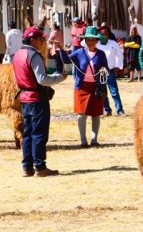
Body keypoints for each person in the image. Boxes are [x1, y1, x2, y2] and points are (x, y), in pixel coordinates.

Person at [12, 26, 67, 177]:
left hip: (24, 98)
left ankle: (27, 166)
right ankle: (40, 166)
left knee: (28, 133)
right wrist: (60, 77)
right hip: (37, 98)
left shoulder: (17, 54)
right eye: (40, 39)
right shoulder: (34, 55)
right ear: (33, 40)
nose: (42, 42)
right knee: (39, 133)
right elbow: (42, 79)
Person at [57, 26, 109, 147]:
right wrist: (61, 49)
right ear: (85, 41)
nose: (90, 42)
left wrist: (103, 71)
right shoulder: (79, 52)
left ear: (96, 41)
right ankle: (83, 140)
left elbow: (106, 68)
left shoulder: (101, 54)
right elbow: (67, 60)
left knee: (96, 114)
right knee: (82, 114)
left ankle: (94, 140)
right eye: (88, 39)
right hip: (81, 87)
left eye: (93, 39)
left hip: (96, 87)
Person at [97, 25, 125, 117]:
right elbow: (82, 44)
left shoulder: (113, 43)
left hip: (111, 70)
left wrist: (117, 67)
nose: (103, 36)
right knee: (103, 92)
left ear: (108, 35)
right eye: (101, 34)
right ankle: (107, 110)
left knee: (114, 92)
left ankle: (120, 110)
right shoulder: (96, 43)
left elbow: (120, 56)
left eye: (105, 34)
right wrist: (94, 33)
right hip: (100, 71)